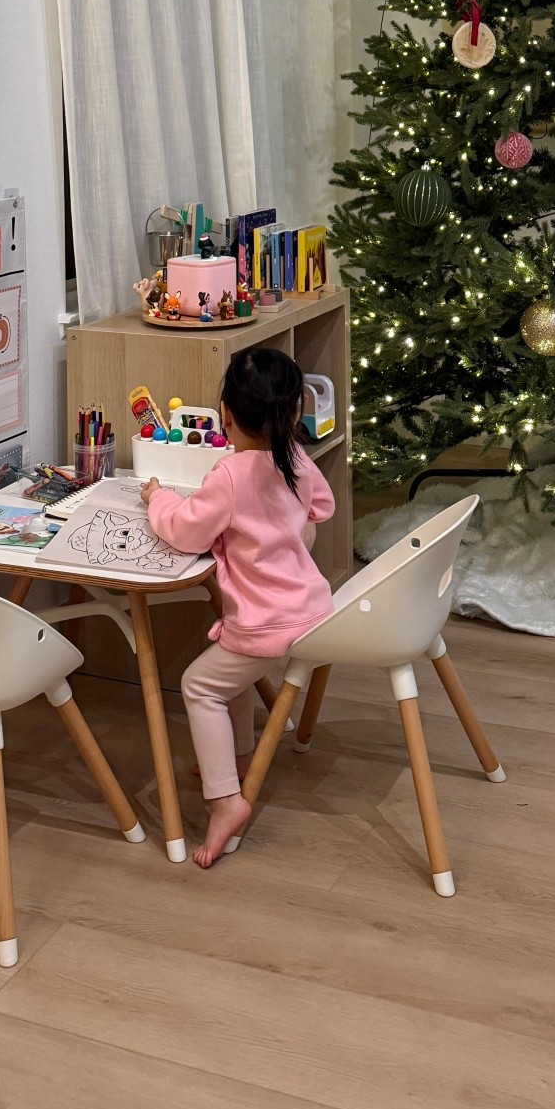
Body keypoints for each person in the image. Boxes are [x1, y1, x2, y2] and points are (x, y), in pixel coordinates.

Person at [141, 347, 335, 868]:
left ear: (224, 415)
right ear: (294, 412)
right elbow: (322, 507)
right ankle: (240, 758)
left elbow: (184, 532)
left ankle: (225, 799)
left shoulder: (228, 475)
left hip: (264, 625)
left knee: (199, 686)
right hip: (313, 612)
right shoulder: (297, 460)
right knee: (231, 680)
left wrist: (157, 497)